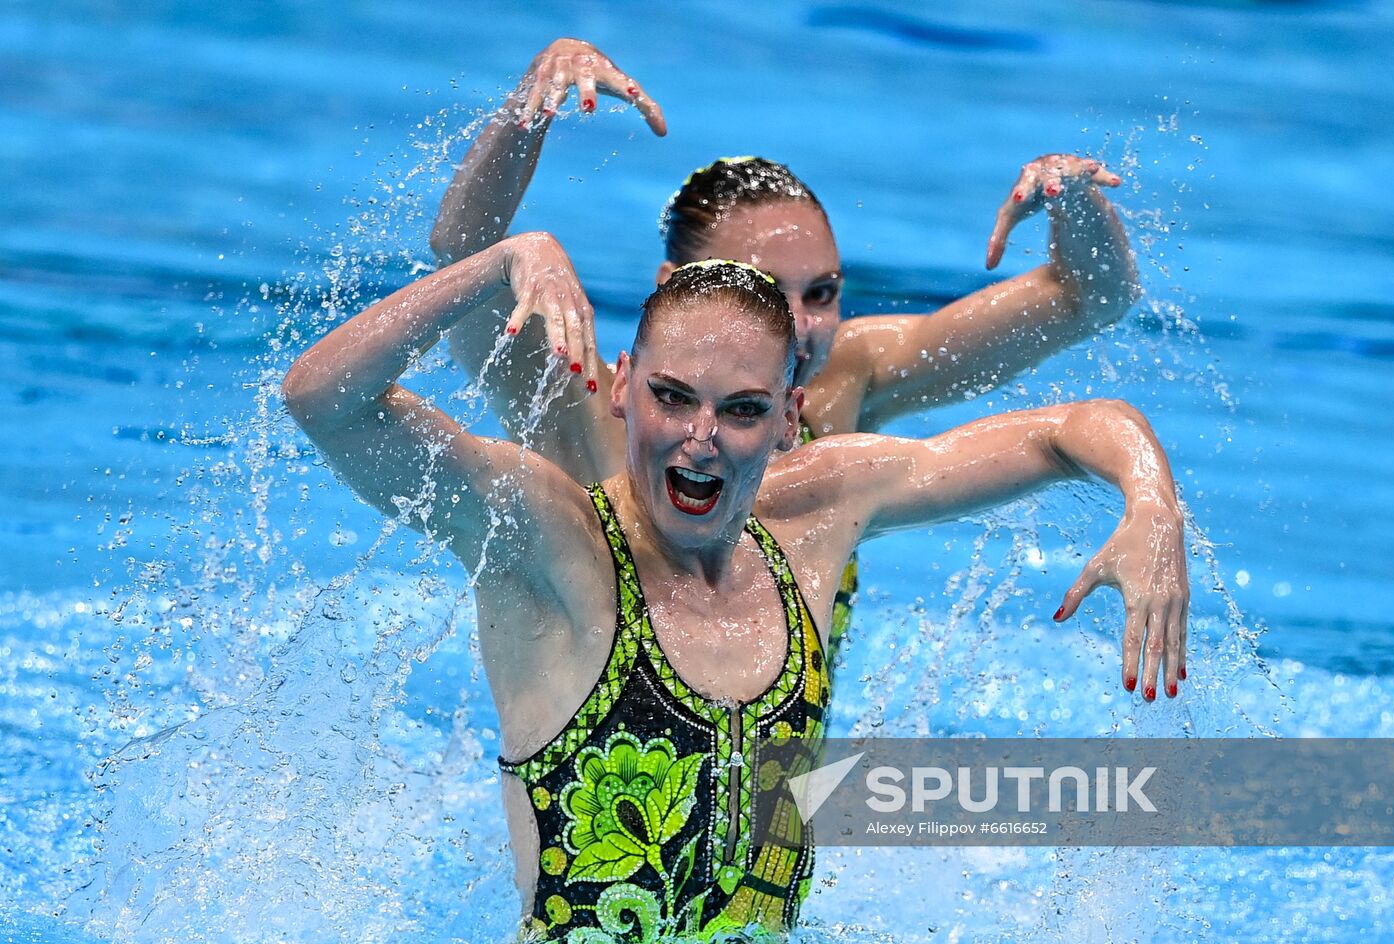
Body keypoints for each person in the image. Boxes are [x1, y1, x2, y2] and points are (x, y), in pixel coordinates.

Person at [282, 237, 1188, 940]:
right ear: (623, 389)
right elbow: (323, 398)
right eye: (673, 398)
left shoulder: (818, 513)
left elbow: (1075, 427)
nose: (701, 437)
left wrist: (1150, 504)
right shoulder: (553, 543)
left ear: (790, 417)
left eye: (743, 409)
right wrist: (499, 265)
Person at [427, 38, 1142, 650]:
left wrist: (1074, 201)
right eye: (765, 290)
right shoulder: (593, 405)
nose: (801, 325)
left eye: (822, 293)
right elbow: (462, 253)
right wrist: (534, 96)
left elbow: (1090, 297)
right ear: (675, 286)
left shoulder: (847, 378)